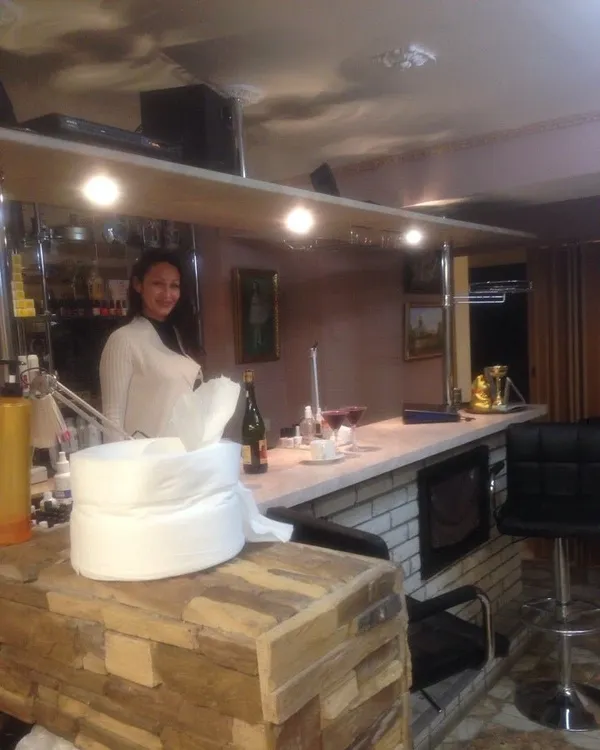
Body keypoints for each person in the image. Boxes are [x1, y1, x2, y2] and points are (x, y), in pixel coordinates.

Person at [100, 250, 203, 439]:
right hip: (145, 454)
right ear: (138, 285)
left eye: (174, 286)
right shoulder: (123, 340)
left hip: (185, 452)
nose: (167, 294)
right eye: (158, 284)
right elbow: (112, 418)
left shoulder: (180, 336)